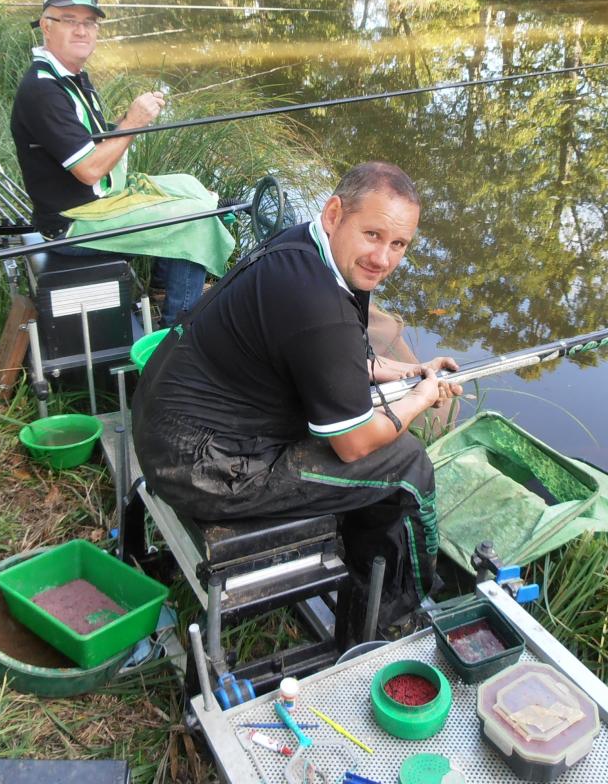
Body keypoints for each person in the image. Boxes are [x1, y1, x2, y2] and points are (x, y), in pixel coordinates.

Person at [132, 161, 462, 641]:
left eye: (398, 244)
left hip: (163, 428)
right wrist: (422, 397)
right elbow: (353, 444)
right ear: (334, 214)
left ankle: (361, 579)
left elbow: (325, 357)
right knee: (406, 465)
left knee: (372, 443)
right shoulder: (318, 301)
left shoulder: (301, 248)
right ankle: (386, 627)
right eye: (372, 234)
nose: (383, 258)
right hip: (205, 467)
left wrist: (404, 371)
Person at [10, 0, 207, 326]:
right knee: (191, 221)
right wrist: (133, 121)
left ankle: (164, 286)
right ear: (46, 26)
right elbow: (88, 170)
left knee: (190, 186)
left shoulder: (71, 77)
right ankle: (179, 336)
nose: (82, 30)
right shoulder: (44, 90)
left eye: (89, 22)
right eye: (69, 20)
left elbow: (90, 142)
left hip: (93, 205)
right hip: (74, 225)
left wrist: (125, 123)